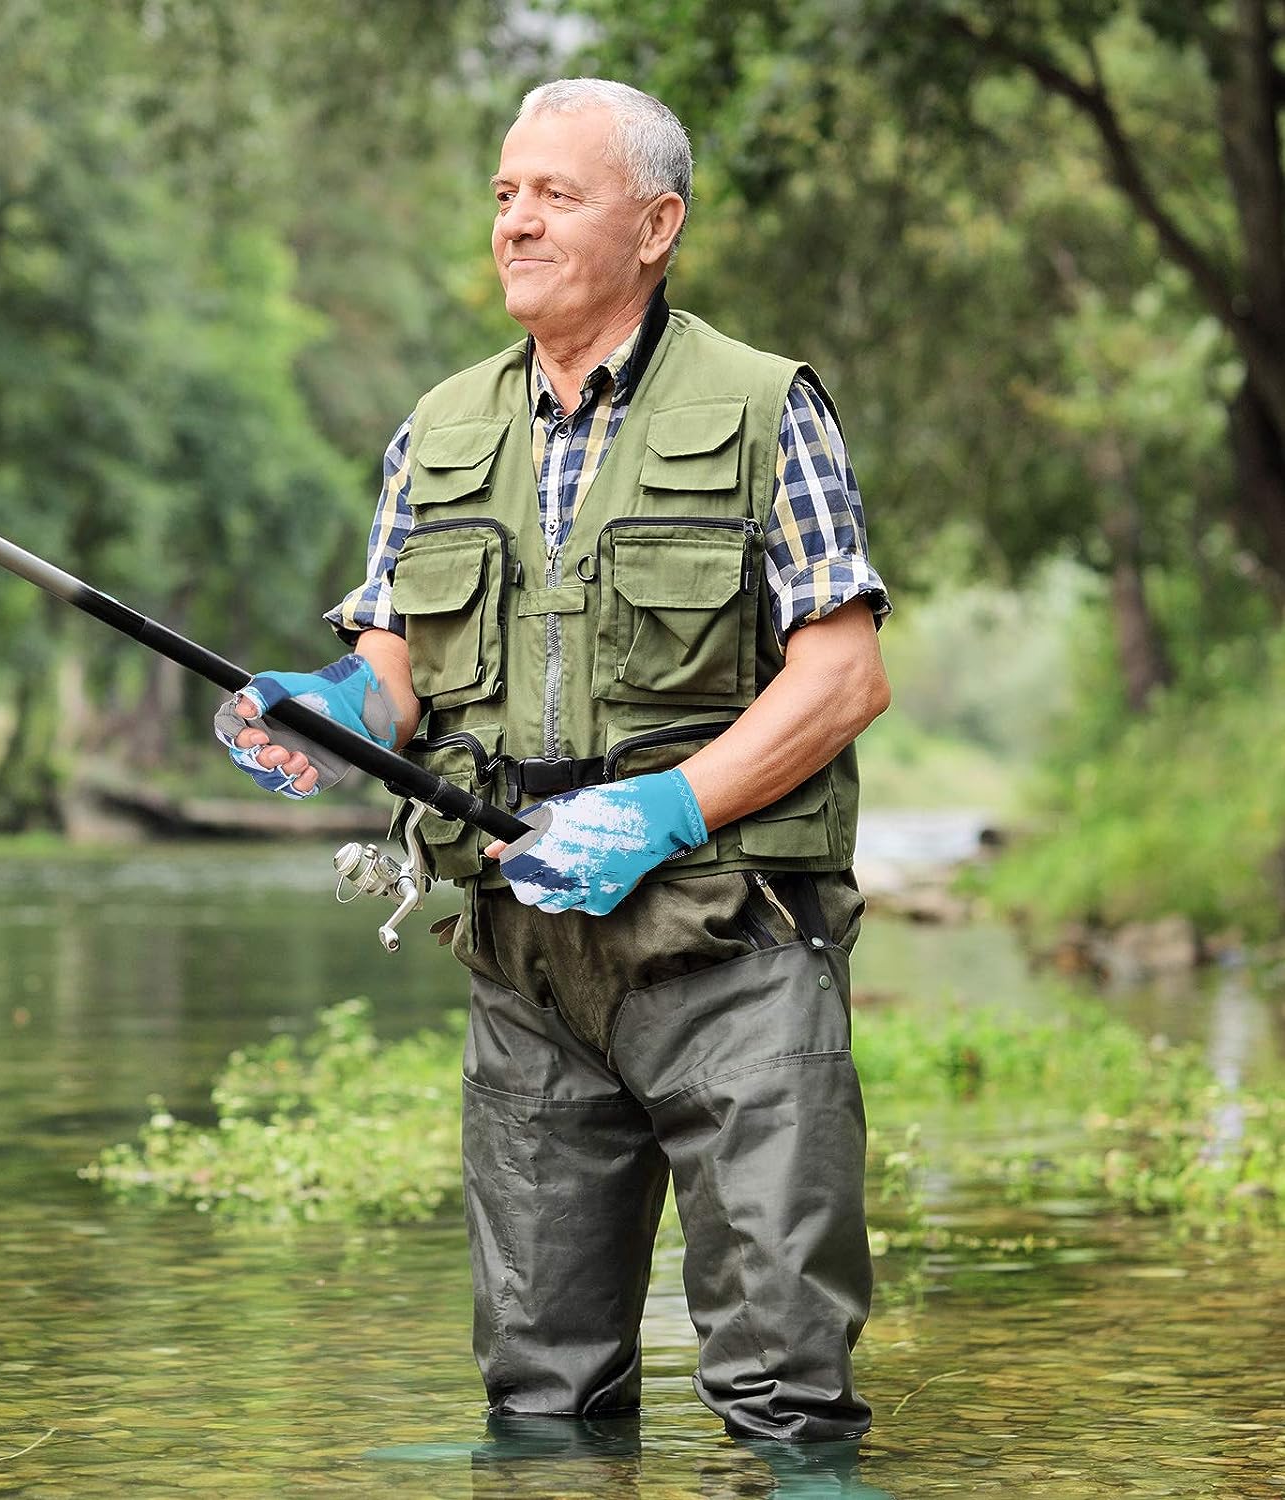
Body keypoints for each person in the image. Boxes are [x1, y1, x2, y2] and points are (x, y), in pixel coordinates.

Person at [217, 78, 892, 1445]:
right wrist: (329, 706)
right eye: (504, 195)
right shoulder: (439, 428)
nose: (516, 223)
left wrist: (665, 806)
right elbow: (394, 665)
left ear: (658, 224)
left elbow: (843, 676)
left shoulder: (768, 410)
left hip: (735, 952)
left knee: (784, 1399)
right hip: (525, 964)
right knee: (540, 1402)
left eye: (554, 195)